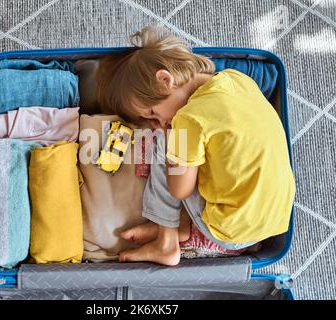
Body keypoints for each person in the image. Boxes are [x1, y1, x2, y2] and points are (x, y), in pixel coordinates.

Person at [96, 26, 295, 266]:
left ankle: (166, 243)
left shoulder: (187, 119)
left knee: (164, 142)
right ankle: (180, 225)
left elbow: (179, 190)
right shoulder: (237, 79)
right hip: (277, 219)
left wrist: (170, 140)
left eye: (152, 113)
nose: (158, 122)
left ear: (164, 80)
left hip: (231, 229)